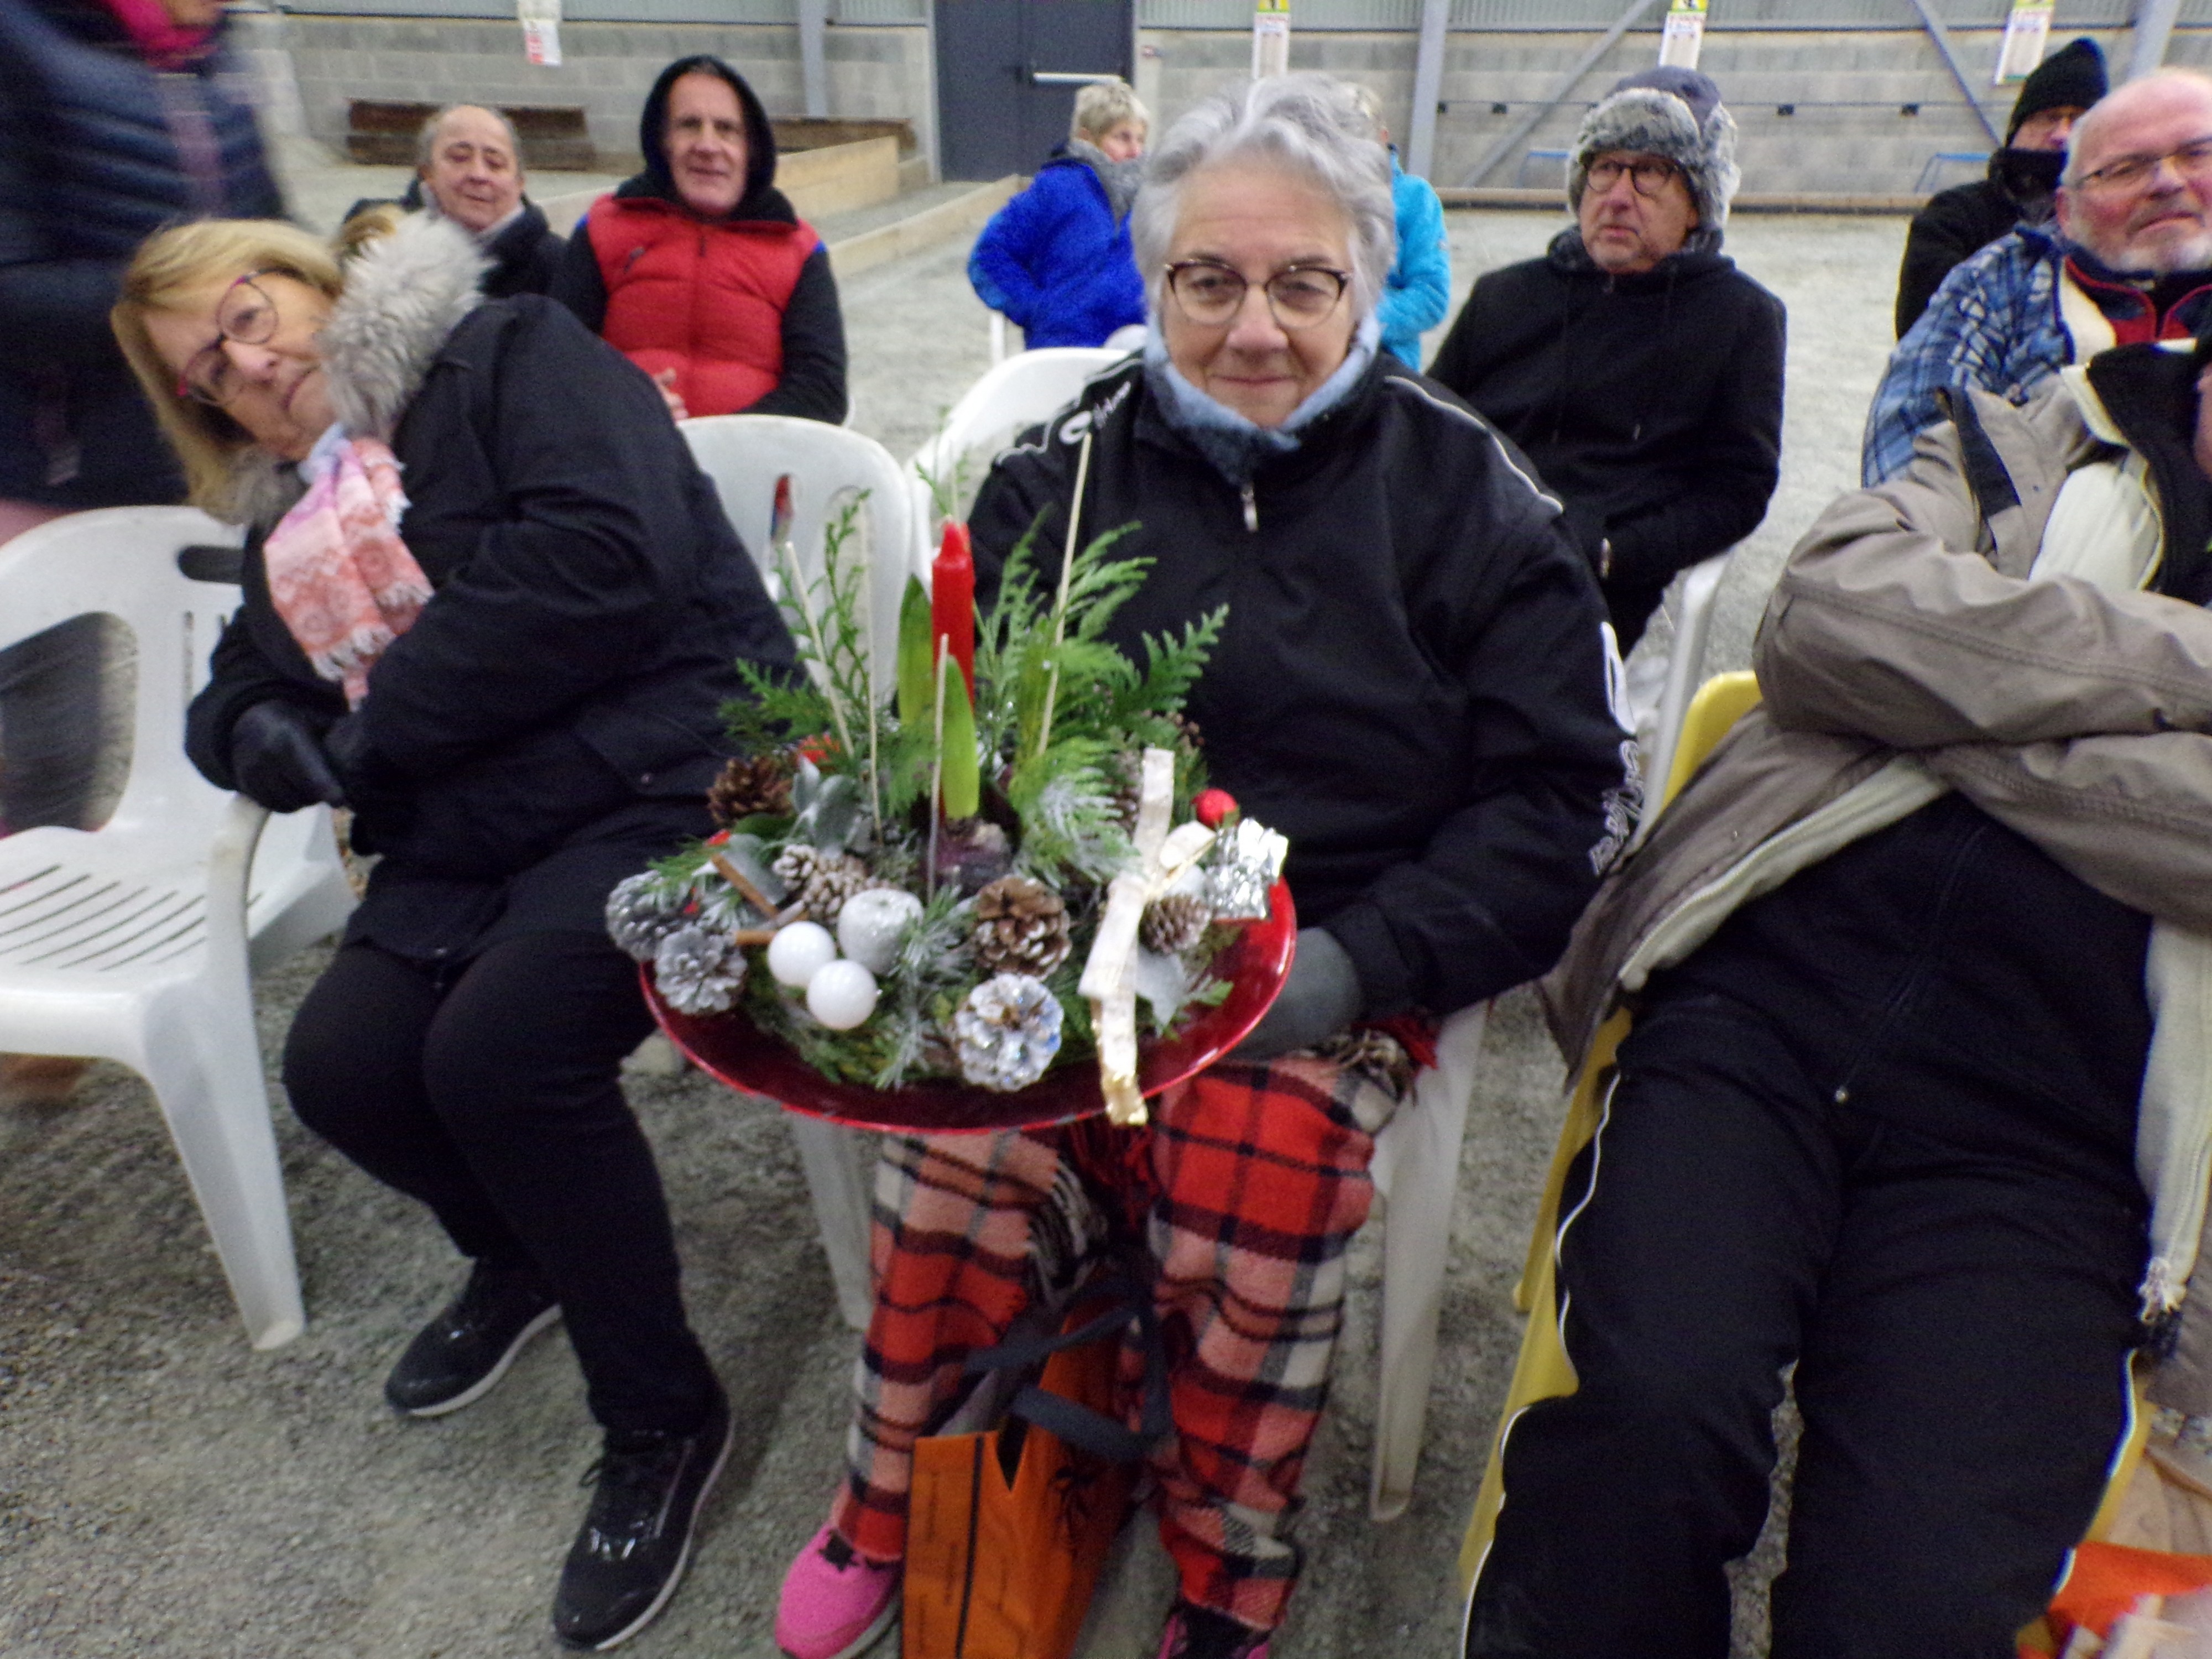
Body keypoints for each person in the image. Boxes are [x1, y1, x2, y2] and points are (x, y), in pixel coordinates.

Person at [773, 74, 1632, 1659]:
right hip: (1078, 924)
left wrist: (1355, 968)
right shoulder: (1063, 479)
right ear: (1152, 283)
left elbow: (1561, 804)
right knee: (957, 1146)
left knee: (1258, 1173)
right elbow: (975, 736)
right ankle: (894, 1481)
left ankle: (1232, 1552)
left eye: (1303, 282)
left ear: (1367, 288)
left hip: (1340, 945)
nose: (1254, 327)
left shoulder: (1474, 501)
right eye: (1207, 280)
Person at [1463, 308, 2212, 1652]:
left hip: (2062, 1143)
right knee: (1645, 1425)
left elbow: (1875, 656)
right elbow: (1820, 617)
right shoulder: (2039, 430)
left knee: (1917, 1600)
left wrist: (1964, 699)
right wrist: (2184, 673)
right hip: (1764, 1003)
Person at [112, 212, 797, 1650]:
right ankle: (525, 1253)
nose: (247, 362)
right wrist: (259, 737)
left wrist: (369, 737)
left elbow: (609, 559)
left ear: (309, 282)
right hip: (481, 827)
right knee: (344, 1070)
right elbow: (235, 692)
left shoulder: (508, 356)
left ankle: (665, 1414)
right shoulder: (298, 518)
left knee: (500, 1056)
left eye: (250, 313)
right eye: (207, 370)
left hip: (670, 768)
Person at [0, 0, 283, 1105]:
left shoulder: (217, 57)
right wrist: (181, 297)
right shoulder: (22, 41)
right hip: (50, 459)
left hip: (198, 445)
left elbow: (266, 228)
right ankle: (35, 993)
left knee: (237, 694)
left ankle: (218, 904)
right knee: (46, 737)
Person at [1427, 66, 1784, 655]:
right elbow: (1427, 428)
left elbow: (1737, 488)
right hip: (1461, 544)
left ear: (1697, 204)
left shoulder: (1738, 319)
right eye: (1604, 168)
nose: (1618, 196)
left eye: (1649, 173)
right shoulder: (1505, 296)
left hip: (1585, 581)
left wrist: (1617, 552)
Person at [1863, 68, 2212, 486]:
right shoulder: (1998, 277)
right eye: (2124, 169)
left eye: (2197, 153)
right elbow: (1913, 437)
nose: (2166, 182)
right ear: (2066, 211)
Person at [552, 54, 847, 424]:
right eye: (689, 125)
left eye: (726, 129)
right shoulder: (603, 227)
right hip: (624, 457)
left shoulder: (799, 249)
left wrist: (723, 439)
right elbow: (555, 358)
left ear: (751, 149)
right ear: (663, 142)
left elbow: (823, 392)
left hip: (753, 468)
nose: (707, 145)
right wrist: (623, 403)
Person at [1892, 36, 2106, 338]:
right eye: (2048, 118)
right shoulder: (1957, 214)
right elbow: (1923, 324)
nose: (2062, 135)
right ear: (2016, 129)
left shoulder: (2116, 218)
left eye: (2079, 122)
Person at [967, 77, 1151, 351]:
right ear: (1088, 138)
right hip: (1066, 346)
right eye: (1122, 137)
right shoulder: (1053, 190)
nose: (1135, 151)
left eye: (1141, 139)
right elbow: (989, 256)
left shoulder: (1156, 198)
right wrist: (1036, 309)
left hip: (1138, 347)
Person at [343, 105, 566, 300]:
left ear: (520, 183)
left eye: (495, 163)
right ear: (427, 172)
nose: (478, 174)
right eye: (459, 158)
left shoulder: (557, 263)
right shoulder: (375, 233)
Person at [1346, 82, 1451, 369]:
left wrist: (1351, 320)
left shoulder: (1416, 199)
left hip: (1386, 369)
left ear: (1382, 137)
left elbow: (1431, 297)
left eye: (1358, 136)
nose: (1349, 150)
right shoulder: (1312, 199)